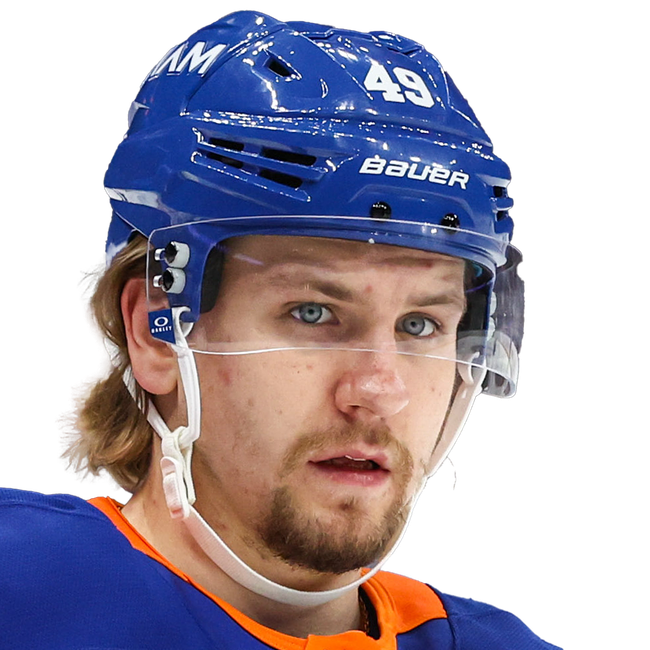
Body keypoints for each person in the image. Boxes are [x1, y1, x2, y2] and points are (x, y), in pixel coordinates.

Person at [0, 10, 555, 649]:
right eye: (313, 313)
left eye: (420, 323)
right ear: (157, 332)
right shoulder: (23, 596)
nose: (380, 391)